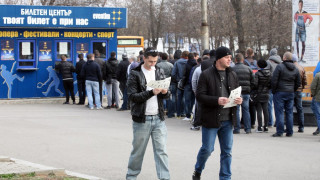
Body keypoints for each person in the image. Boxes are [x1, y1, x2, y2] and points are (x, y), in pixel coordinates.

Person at [192, 46, 242, 180]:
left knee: (227, 152)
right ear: (219, 58)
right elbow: (199, 96)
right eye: (227, 57)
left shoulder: (232, 74)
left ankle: (225, 177)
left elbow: (236, 92)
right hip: (211, 119)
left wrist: (238, 100)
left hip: (228, 119)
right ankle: (198, 169)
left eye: (230, 58)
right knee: (207, 149)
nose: (229, 60)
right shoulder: (206, 74)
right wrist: (216, 100)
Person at [126, 48, 170, 180]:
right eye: (150, 61)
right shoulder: (135, 74)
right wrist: (151, 92)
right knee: (138, 152)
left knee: (161, 151)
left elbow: (167, 95)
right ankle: (131, 176)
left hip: (158, 117)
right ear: (144, 58)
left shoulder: (160, 71)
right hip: (141, 118)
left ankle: (165, 178)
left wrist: (165, 92)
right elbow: (133, 96)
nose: (153, 64)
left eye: (155, 61)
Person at [271, 52, 301, 137]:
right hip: (290, 92)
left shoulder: (280, 67)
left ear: (284, 58)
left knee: (279, 112)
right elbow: (298, 82)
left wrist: (274, 90)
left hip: (280, 92)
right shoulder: (295, 69)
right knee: (289, 112)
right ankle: (289, 131)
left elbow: (274, 80)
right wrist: (293, 89)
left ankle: (280, 131)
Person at [232, 53, 254, 134]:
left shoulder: (232, 69)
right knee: (246, 110)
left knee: (236, 110)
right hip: (246, 92)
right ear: (243, 60)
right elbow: (253, 81)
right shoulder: (248, 69)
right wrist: (249, 88)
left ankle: (236, 128)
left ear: (235, 60)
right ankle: (247, 128)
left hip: (236, 92)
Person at [253, 59, 271, 132]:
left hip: (259, 94)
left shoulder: (257, 73)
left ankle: (259, 127)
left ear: (258, 65)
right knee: (266, 110)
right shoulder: (269, 73)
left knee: (259, 111)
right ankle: (266, 126)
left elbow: (255, 84)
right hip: (266, 93)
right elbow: (270, 84)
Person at [266, 48, 282, 127]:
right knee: (277, 105)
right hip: (279, 86)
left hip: (270, 85)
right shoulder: (281, 62)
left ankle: (270, 122)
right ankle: (277, 121)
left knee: (269, 104)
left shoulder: (268, 62)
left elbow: (266, 73)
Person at [171, 51, 189, 118]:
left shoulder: (177, 62)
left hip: (179, 82)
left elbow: (173, 73)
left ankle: (178, 113)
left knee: (179, 98)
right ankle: (184, 112)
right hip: (186, 82)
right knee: (185, 98)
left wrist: (177, 79)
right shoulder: (189, 62)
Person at [292, 54, 307, 132]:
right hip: (299, 91)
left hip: (291, 90)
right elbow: (305, 80)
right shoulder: (301, 68)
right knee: (300, 109)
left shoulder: (290, 68)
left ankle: (289, 127)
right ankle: (301, 127)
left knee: (289, 109)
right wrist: (302, 88)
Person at [244, 48, 258, 129]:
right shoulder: (255, 62)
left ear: (246, 53)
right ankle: (253, 122)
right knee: (253, 105)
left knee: (245, 106)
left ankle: (245, 122)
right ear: (252, 54)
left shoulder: (245, 62)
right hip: (254, 85)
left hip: (246, 85)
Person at [182, 52, 197, 121]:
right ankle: (192, 113)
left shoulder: (186, 64)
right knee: (193, 100)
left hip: (187, 84)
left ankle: (187, 115)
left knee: (187, 100)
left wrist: (183, 83)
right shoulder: (196, 64)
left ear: (188, 57)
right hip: (194, 84)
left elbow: (184, 75)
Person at [167, 50, 182, 118]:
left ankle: (171, 112)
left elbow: (172, 73)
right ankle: (181, 111)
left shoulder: (171, 62)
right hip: (180, 82)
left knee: (173, 96)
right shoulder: (183, 62)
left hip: (172, 81)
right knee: (180, 97)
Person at [311, 70, 320, 136]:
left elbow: (313, 86)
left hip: (318, 97)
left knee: (318, 115)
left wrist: (314, 94)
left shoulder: (318, 75)